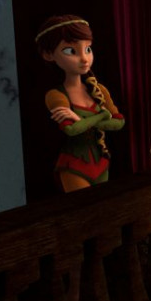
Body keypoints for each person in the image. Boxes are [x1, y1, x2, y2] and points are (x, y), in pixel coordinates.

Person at [36, 14, 125, 192]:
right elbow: (71, 129)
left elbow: (119, 122)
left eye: (88, 49)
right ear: (49, 55)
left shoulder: (99, 89)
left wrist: (81, 120)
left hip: (101, 161)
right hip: (73, 165)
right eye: (71, 51)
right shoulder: (56, 95)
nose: (84, 58)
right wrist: (102, 115)